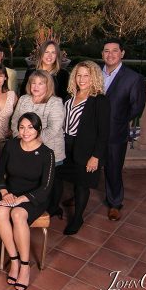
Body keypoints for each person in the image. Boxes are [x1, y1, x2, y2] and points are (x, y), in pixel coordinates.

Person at [0, 112, 55, 290]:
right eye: (21, 127)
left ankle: (25, 266)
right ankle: (14, 261)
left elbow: (46, 187)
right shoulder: (11, 145)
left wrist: (22, 199)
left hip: (34, 197)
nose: (26, 131)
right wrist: (5, 193)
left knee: (18, 213)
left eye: (30, 127)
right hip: (11, 193)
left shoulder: (47, 154)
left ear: (38, 129)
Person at [48, 61, 110, 234]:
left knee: (81, 185)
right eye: (79, 75)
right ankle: (54, 208)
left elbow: (104, 133)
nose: (82, 79)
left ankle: (78, 218)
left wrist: (96, 156)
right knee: (56, 178)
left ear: (94, 78)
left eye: (86, 75)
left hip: (85, 149)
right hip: (64, 146)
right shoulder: (70, 97)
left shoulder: (100, 100)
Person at [101, 38, 146, 221]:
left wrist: (118, 120)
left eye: (114, 51)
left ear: (122, 53)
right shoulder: (94, 73)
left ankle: (114, 203)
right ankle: (80, 194)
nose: (110, 54)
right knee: (83, 165)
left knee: (113, 168)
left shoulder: (133, 78)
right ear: (102, 54)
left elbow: (137, 107)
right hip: (92, 130)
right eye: (106, 51)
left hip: (115, 132)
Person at [11, 70, 65, 164]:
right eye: (33, 83)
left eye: (40, 83)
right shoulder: (23, 99)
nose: (36, 86)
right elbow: (15, 121)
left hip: (49, 152)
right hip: (24, 148)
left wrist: (31, 141)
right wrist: (19, 137)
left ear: (48, 86)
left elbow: (53, 129)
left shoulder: (55, 102)